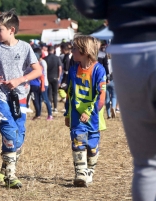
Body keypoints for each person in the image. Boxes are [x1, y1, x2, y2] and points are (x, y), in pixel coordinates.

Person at [75, 1, 156, 199]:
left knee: (146, 164)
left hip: (130, 48)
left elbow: (89, 7)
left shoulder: (98, 69)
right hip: (129, 47)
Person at [0, 9, 42, 188]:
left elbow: (38, 70)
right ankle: (10, 176)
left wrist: (20, 80)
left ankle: (5, 166)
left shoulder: (25, 47)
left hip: (20, 97)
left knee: (18, 136)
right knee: (8, 130)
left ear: (11, 30)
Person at [64, 35, 106, 187]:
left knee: (92, 147)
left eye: (75, 48)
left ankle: (89, 171)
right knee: (78, 141)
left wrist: (89, 111)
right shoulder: (73, 68)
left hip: (93, 116)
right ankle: (80, 173)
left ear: (85, 51)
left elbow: (101, 95)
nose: (72, 51)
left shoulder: (99, 70)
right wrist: (67, 113)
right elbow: (70, 92)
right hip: (76, 116)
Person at [33, 47, 53, 120]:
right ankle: (38, 114)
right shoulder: (39, 63)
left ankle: (50, 114)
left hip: (44, 83)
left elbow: (43, 75)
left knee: (45, 99)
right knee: (37, 99)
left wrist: (43, 85)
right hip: (39, 83)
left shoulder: (42, 63)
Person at [44, 45, 62, 113]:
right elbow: (60, 68)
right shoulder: (57, 58)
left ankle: (50, 106)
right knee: (55, 93)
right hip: (55, 77)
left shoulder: (45, 59)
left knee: (49, 92)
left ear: (47, 51)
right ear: (53, 50)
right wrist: (59, 77)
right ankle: (55, 108)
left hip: (48, 77)